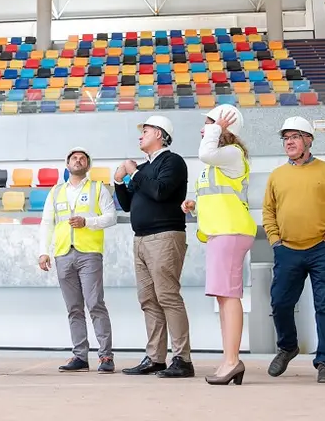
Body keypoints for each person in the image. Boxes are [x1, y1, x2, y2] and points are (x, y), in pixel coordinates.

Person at [262, 116, 325, 384]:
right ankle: (288, 346)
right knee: (280, 303)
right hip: (287, 250)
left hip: (322, 250)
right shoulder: (277, 175)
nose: (289, 142)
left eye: (295, 136)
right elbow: (268, 211)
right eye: (286, 138)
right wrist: (275, 240)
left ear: (308, 140)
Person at [114, 115, 195, 379]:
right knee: (148, 300)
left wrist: (134, 173)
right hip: (141, 239)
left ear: (159, 134)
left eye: (145, 131)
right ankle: (155, 358)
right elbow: (127, 205)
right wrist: (118, 182)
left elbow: (160, 192)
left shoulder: (172, 161)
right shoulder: (145, 168)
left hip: (164, 237)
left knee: (168, 296)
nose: (140, 135)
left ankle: (182, 359)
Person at [181, 104, 256, 386]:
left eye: (210, 122)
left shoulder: (231, 154)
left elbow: (205, 151)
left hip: (230, 232)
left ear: (225, 126)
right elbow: (219, 198)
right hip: (220, 232)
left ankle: (232, 361)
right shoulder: (217, 162)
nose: (204, 128)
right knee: (224, 297)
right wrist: (194, 206)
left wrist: (217, 129)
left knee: (229, 296)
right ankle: (229, 359)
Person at [38, 147, 118, 373]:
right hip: (63, 254)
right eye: (74, 157)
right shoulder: (55, 192)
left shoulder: (97, 188)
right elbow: (47, 223)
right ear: (67, 164)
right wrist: (43, 251)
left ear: (88, 166)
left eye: (82, 158)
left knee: (95, 304)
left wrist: (88, 222)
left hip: (89, 253)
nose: (78, 160)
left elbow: (111, 218)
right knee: (73, 307)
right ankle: (80, 355)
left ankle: (105, 356)